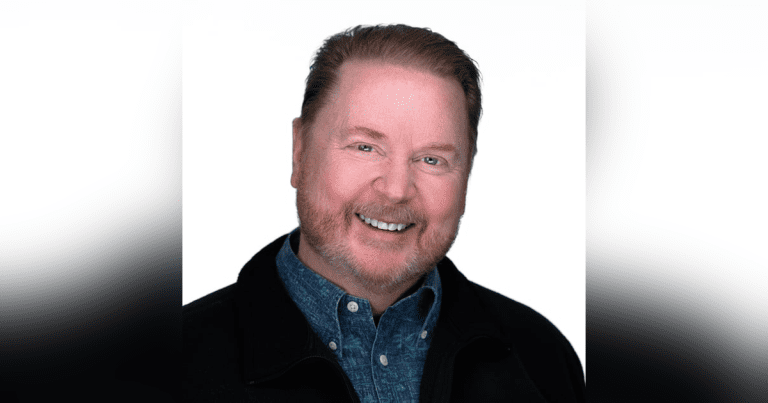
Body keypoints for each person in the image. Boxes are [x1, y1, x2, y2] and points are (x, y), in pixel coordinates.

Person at [183, 24, 585, 402]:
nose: (396, 190)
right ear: (300, 151)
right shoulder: (167, 366)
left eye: (431, 159)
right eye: (364, 147)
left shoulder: (542, 357)